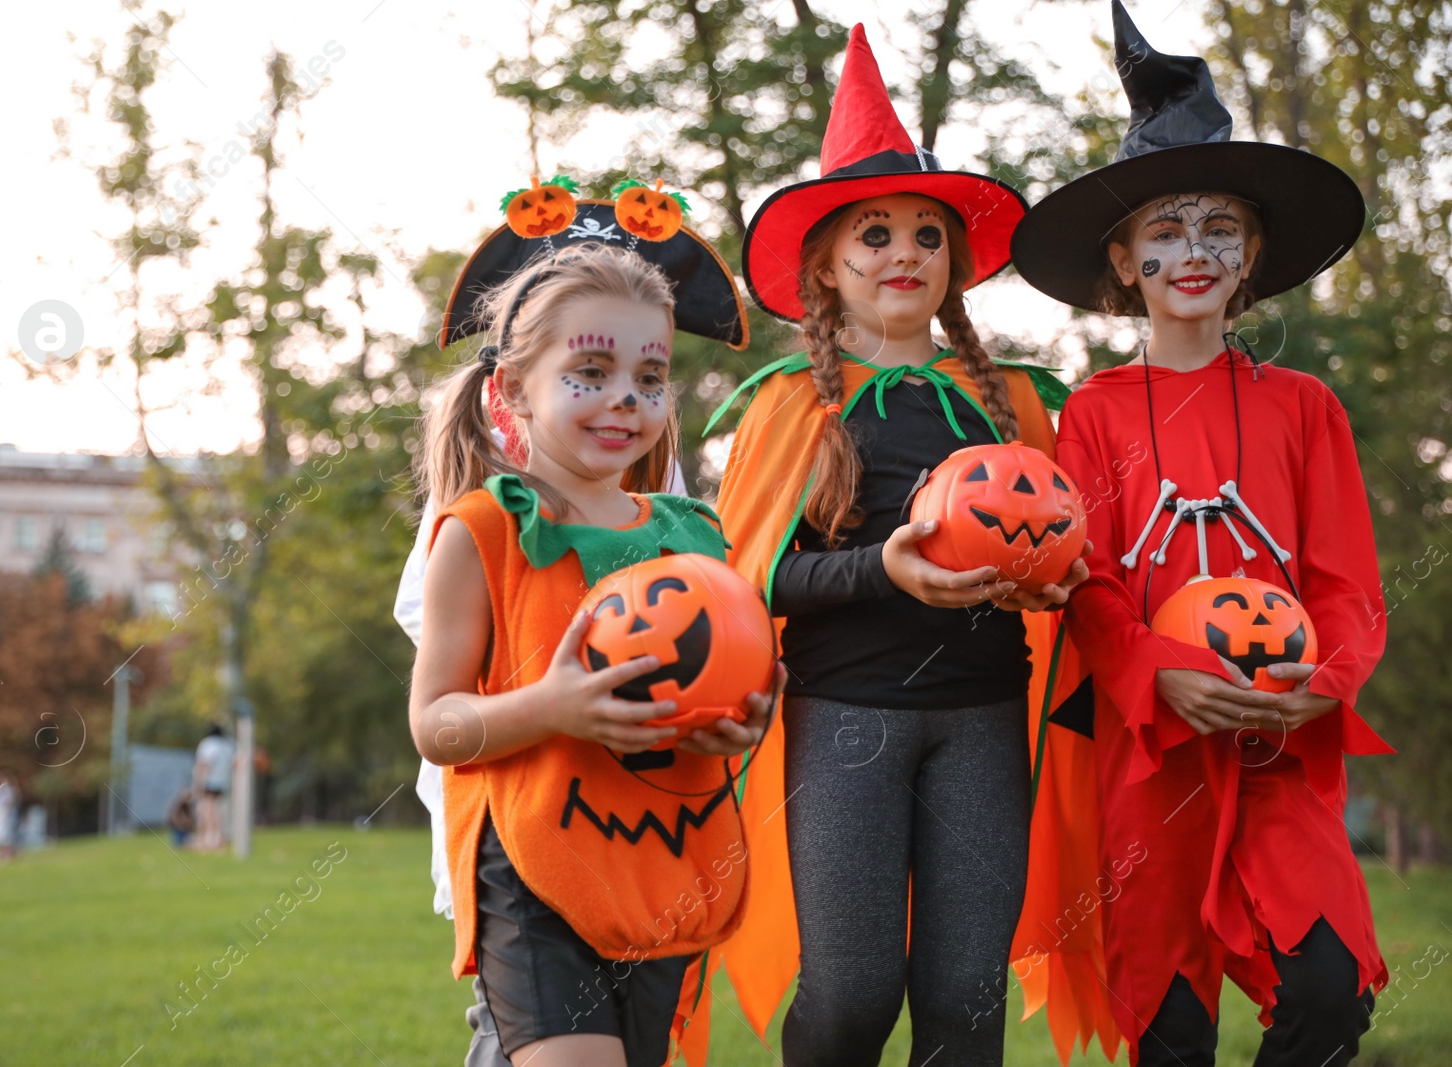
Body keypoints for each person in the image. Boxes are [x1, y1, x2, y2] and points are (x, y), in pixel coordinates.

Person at [1008, 5, 1391, 1064]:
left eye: (1219, 225)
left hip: (1280, 742)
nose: (1194, 249)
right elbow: (1086, 584)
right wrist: (1158, 673)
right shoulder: (1091, 413)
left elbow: (1346, 582)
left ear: (1251, 254)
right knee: (1168, 1025)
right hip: (1151, 752)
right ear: (1123, 261)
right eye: (1166, 229)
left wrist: (1330, 672)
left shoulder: (1303, 407)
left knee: (1324, 990)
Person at [705, 25, 1088, 1067]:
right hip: (847, 722)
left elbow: (1053, 538)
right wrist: (886, 567)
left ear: (953, 259)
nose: (904, 253)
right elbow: (751, 580)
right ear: (824, 265)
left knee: (964, 1002)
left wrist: (1055, 581)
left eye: (926, 233)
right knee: (852, 994)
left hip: (982, 718)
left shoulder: (1009, 401)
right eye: (873, 234)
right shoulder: (791, 407)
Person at [412, 191, 778, 1067]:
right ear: (513, 390)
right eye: (591, 373)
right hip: (534, 866)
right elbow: (436, 724)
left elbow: (724, 680)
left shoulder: (692, 538)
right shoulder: (482, 532)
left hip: (660, 858)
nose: (626, 399)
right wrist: (552, 706)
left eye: (649, 379)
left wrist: (746, 720)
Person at [193, 724, 234, 852]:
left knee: (208, 809)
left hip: (210, 781)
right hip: (224, 781)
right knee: (219, 809)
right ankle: (220, 837)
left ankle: (208, 837)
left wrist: (199, 781)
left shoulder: (207, 744)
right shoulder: (228, 745)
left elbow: (204, 763)